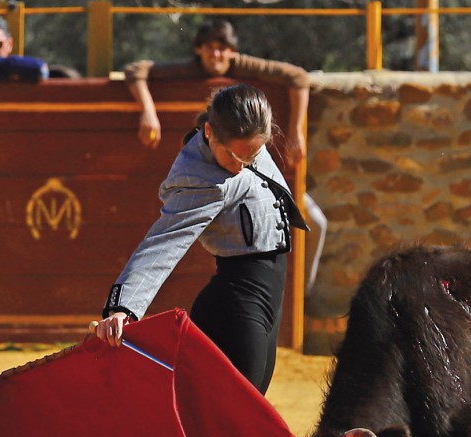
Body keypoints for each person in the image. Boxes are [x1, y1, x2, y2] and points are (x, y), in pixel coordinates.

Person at [96, 84, 308, 396]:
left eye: (252, 154)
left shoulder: (239, 130)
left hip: (262, 294)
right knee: (241, 409)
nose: (241, 166)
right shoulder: (200, 178)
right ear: (208, 132)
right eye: (234, 155)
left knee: (246, 404)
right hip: (237, 304)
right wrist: (122, 307)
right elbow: (163, 241)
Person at [123, 19, 327, 294]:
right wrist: (148, 110)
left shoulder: (242, 67)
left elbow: (299, 77)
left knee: (317, 222)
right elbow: (137, 69)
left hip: (252, 185)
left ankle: (305, 295)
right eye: (210, 48)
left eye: (223, 48)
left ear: (232, 51)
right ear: (199, 50)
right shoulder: (190, 71)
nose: (216, 55)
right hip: (214, 186)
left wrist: (295, 133)